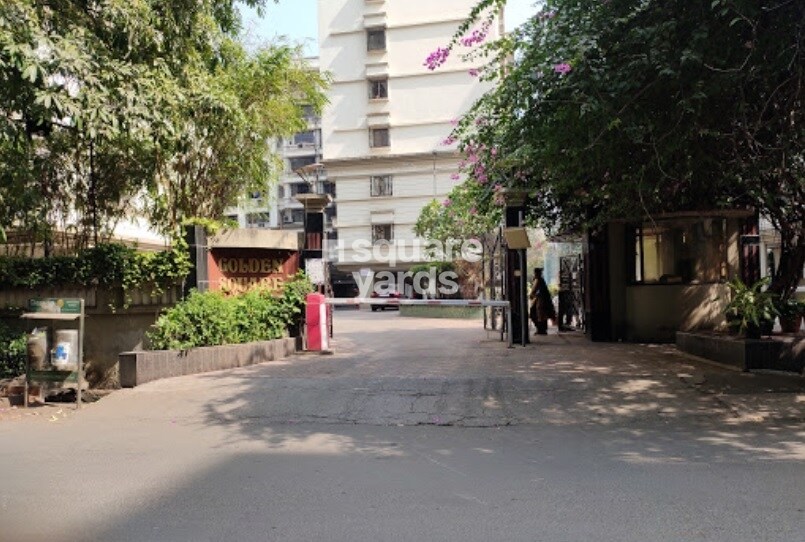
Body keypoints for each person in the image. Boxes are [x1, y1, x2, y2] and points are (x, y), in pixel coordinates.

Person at [529, 268, 556, 335]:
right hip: (542, 300)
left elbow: (533, 290)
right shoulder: (540, 280)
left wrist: (531, 295)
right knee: (542, 315)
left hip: (540, 300)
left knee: (535, 314)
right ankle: (542, 329)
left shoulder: (538, 280)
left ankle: (541, 329)